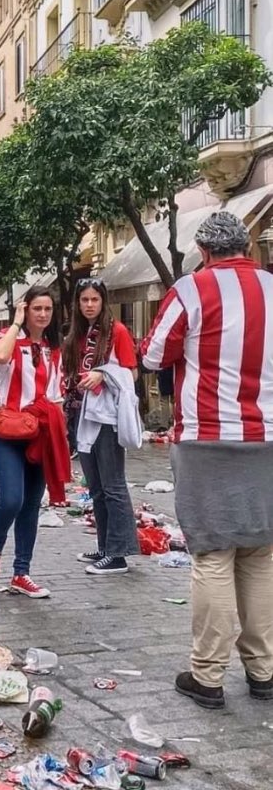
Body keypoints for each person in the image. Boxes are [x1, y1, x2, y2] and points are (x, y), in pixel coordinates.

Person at [142, 210, 273, 710]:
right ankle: (263, 671)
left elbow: (153, 355)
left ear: (203, 251)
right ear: (246, 245)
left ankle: (208, 674)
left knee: (213, 555)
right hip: (267, 439)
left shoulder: (192, 290)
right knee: (260, 554)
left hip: (207, 438)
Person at [0, 286, 65, 599]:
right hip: (6, 431)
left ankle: (21, 572)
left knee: (31, 505)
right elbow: (0, 356)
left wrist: (60, 441)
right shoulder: (9, 338)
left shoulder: (52, 349)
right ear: (26, 309)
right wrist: (17, 322)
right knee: (11, 499)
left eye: (47, 309)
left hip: (40, 433)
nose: (42, 315)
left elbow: (55, 398)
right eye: (36, 308)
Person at [62, 278, 140, 576]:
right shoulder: (79, 334)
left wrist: (103, 374)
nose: (90, 305)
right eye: (85, 300)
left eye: (95, 299)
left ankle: (118, 554)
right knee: (95, 487)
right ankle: (106, 545)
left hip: (107, 417)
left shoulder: (116, 331)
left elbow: (131, 373)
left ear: (103, 302)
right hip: (83, 414)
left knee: (113, 486)